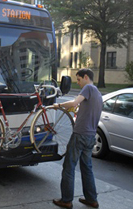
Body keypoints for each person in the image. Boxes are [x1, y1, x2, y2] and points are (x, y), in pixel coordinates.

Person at [52, 68, 102, 209]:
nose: (78, 83)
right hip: (91, 136)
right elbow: (83, 110)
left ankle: (66, 200)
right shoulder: (98, 93)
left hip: (80, 135)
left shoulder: (88, 88)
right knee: (87, 168)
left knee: (69, 167)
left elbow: (74, 103)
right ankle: (92, 199)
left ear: (86, 77)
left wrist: (59, 105)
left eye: (79, 80)